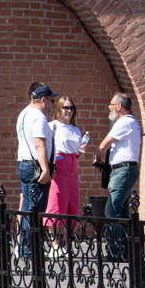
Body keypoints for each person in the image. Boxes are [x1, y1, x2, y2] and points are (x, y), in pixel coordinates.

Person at [96, 92, 142, 259]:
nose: (109, 107)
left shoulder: (124, 122)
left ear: (119, 106)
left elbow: (104, 144)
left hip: (123, 170)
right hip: (124, 170)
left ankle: (115, 250)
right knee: (121, 212)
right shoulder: (131, 122)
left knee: (112, 209)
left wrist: (98, 156)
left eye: (111, 104)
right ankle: (125, 250)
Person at [15, 84, 56, 257]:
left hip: (23, 163)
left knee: (26, 208)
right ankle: (29, 249)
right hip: (35, 166)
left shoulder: (24, 113)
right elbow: (39, 144)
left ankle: (23, 246)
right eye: (51, 100)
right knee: (35, 209)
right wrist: (45, 169)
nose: (53, 104)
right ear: (43, 100)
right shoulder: (38, 117)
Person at [45, 97, 86, 254]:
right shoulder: (53, 126)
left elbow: (76, 154)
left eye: (71, 108)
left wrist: (81, 151)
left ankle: (65, 243)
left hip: (72, 168)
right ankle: (54, 244)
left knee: (71, 206)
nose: (68, 111)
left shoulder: (76, 130)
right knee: (56, 205)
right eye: (65, 108)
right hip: (59, 167)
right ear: (59, 109)